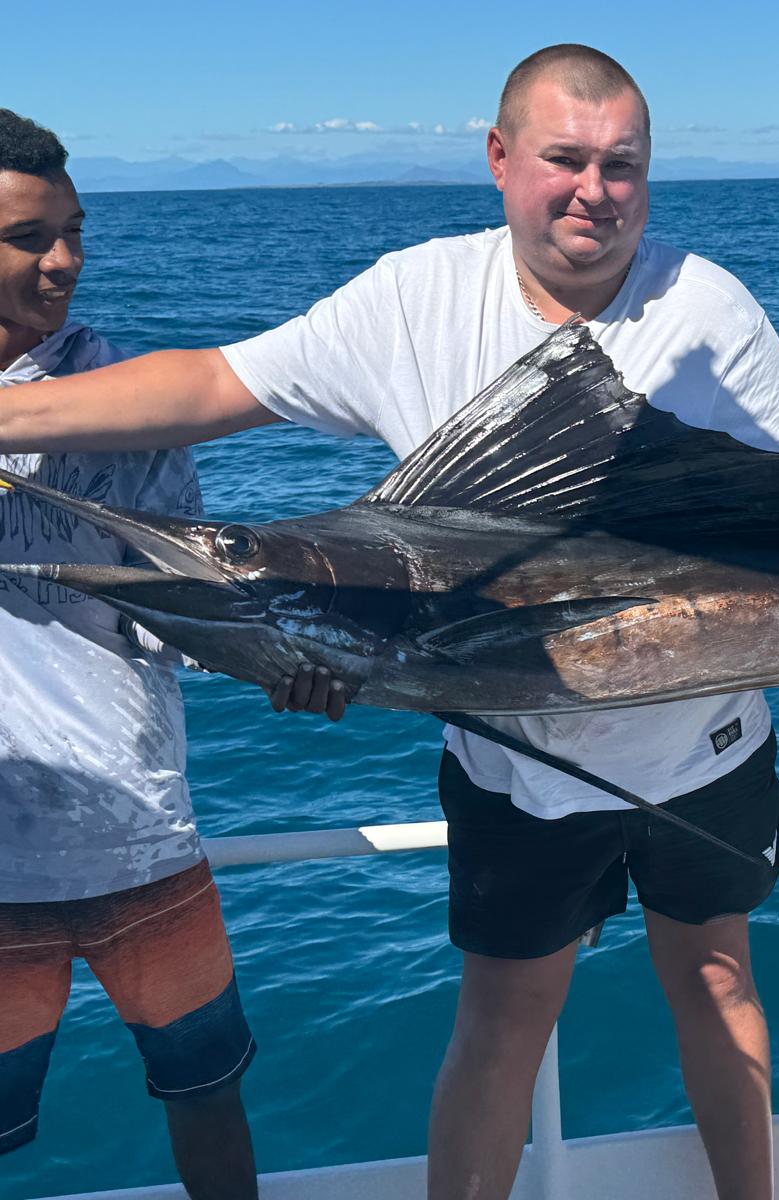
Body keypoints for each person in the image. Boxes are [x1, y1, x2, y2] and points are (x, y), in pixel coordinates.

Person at [0, 48, 779, 1200]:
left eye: (621, 166)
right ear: (499, 159)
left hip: (703, 745)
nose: (594, 191)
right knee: (504, 1018)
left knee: (720, 982)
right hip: (511, 765)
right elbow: (212, 384)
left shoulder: (710, 309)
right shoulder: (415, 299)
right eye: (565, 160)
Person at [0, 110, 259, 1197]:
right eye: (28, 237)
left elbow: (178, 608)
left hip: (142, 839)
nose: (63, 260)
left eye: (73, 232)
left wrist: (272, 658)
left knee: (209, 1097)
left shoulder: (128, 396)